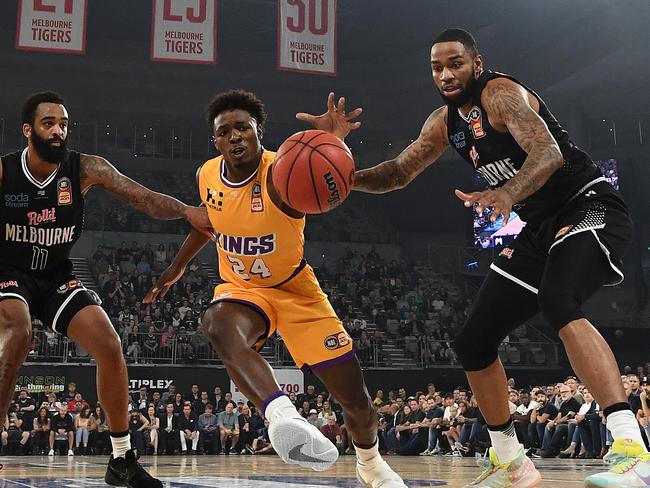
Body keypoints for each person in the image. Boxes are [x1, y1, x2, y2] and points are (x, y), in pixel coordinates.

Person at [351, 28, 646, 487]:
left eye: (455, 64)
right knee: (473, 341)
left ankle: (631, 447)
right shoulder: (442, 123)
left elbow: (547, 152)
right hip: (540, 227)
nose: (446, 74)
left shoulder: (501, 95)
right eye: (437, 67)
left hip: (589, 205)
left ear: (477, 62)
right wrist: (338, 176)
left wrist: (507, 191)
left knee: (559, 300)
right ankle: (510, 459)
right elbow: (396, 172)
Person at [145, 90, 405, 487]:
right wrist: (176, 267)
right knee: (216, 324)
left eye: (243, 128)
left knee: (356, 401)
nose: (234, 137)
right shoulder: (207, 175)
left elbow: (323, 176)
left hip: (296, 289)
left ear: (258, 132)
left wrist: (332, 145)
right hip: (243, 288)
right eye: (224, 131)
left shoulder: (283, 172)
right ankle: (282, 416)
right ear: (215, 140)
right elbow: (208, 222)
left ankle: (370, 462)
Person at [0, 92, 211, 487]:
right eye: (49, 123)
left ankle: (120, 461)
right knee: (19, 332)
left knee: (110, 344)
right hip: (9, 272)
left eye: (63, 123)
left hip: (56, 275)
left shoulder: (84, 168)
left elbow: (142, 198)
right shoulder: (5, 172)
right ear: (28, 130)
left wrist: (185, 210)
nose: (58, 130)